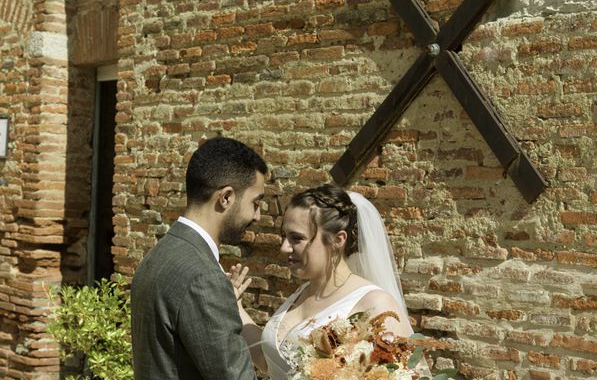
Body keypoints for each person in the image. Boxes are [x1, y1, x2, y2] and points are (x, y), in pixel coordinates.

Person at [229, 183, 415, 380]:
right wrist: (235, 306)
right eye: (284, 236)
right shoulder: (300, 293)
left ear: (338, 239)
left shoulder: (375, 304)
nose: (284, 248)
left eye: (296, 238)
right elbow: (269, 362)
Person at [131, 136, 267, 380]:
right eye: (255, 203)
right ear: (226, 197)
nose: (257, 216)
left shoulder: (158, 254)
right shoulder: (203, 276)